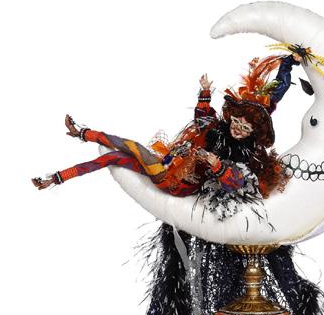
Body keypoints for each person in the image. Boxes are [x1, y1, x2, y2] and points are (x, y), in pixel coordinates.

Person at [32, 53, 301, 209]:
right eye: (237, 121)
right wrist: (204, 92)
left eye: (246, 127)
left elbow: (238, 183)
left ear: (253, 132)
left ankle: (83, 133)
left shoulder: (245, 155)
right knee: (111, 157)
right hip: (166, 166)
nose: (238, 128)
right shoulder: (216, 128)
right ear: (232, 116)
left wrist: (216, 165)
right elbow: (201, 118)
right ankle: (55, 177)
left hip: (177, 184)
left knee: (133, 147)